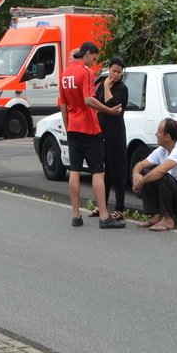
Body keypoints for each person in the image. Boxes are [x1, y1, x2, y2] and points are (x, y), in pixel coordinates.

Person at [59, 42, 125, 228]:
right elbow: (89, 100)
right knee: (98, 171)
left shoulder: (64, 75)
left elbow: (63, 106)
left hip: (72, 127)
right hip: (89, 127)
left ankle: (76, 214)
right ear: (87, 54)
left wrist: (68, 127)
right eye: (94, 59)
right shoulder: (86, 72)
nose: (93, 63)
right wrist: (109, 111)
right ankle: (104, 216)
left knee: (74, 171)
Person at [132, 117, 177, 231]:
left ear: (167, 137)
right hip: (175, 200)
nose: (156, 134)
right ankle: (157, 215)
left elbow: (161, 171)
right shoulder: (162, 150)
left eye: (159, 131)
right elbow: (140, 165)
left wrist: (142, 181)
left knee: (161, 175)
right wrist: (136, 175)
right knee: (146, 172)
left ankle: (168, 219)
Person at [94, 56, 128, 219]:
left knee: (117, 171)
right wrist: (104, 86)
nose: (115, 75)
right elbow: (94, 102)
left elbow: (112, 105)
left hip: (116, 134)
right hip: (101, 133)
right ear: (108, 69)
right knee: (102, 171)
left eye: (118, 72)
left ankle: (119, 208)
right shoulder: (99, 85)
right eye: (113, 71)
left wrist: (108, 87)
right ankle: (102, 206)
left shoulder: (122, 88)